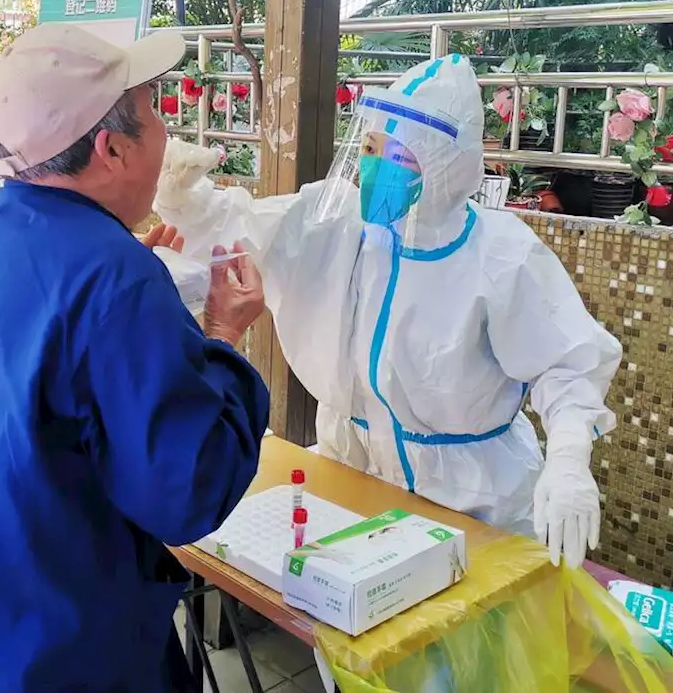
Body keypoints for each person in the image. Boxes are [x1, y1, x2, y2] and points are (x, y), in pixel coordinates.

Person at [0, 23, 272, 693]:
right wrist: (219, 336)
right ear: (113, 147)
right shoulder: (113, 278)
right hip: (21, 654)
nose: (167, 133)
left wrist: (130, 296)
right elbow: (189, 489)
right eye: (154, 111)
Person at [154, 55, 622, 570]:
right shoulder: (335, 223)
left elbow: (567, 363)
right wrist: (184, 199)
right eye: (372, 148)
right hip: (354, 477)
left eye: (399, 156)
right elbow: (245, 229)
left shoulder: (500, 253)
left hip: (473, 500)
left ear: (445, 166)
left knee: (460, 638)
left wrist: (570, 459)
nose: (376, 167)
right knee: (354, 633)